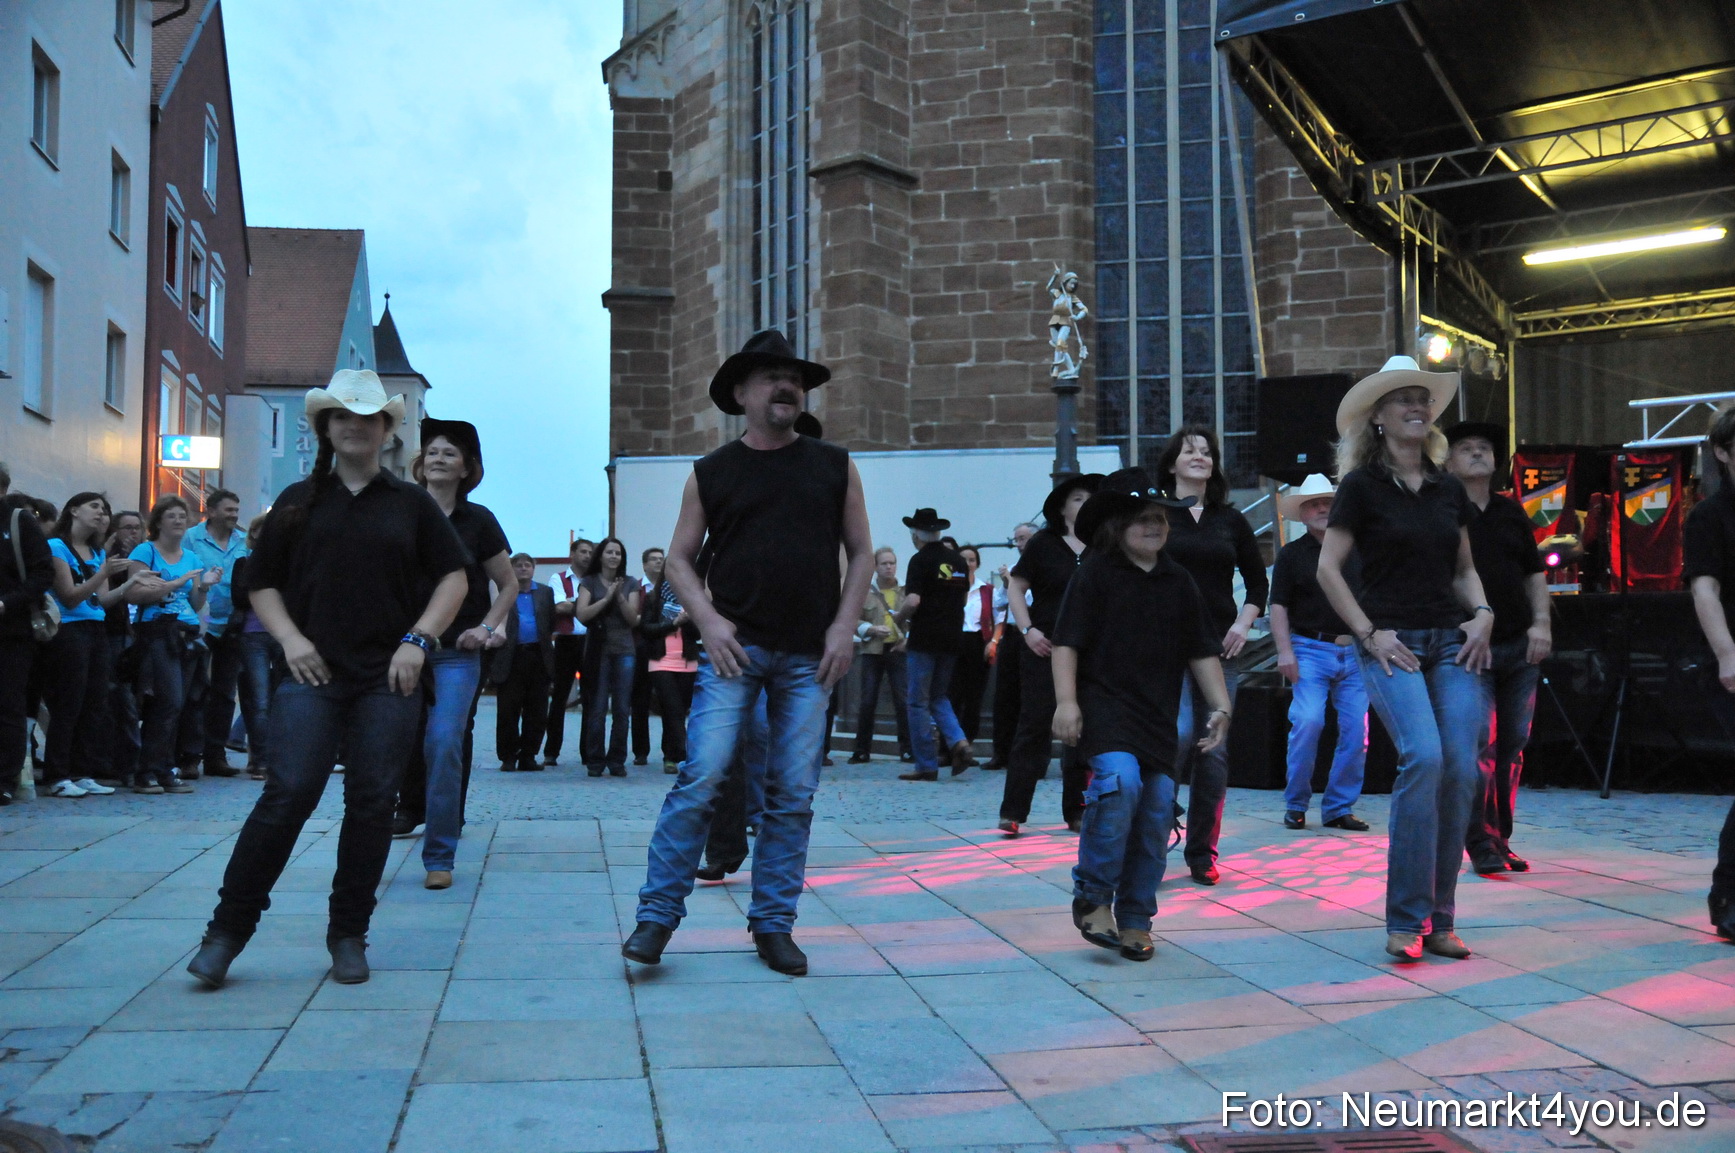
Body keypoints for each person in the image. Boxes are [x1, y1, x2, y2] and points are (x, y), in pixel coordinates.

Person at [186, 368, 468, 989]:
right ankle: (226, 933)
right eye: (342, 416)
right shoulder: (297, 502)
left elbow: (455, 577)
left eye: (368, 418)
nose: (355, 427)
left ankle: (348, 934)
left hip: (386, 679)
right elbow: (260, 582)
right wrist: (289, 638)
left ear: (386, 430)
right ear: (324, 428)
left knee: (370, 802)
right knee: (287, 794)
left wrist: (419, 640)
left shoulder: (410, 503)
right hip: (311, 674)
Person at [624, 329, 873, 977]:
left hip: (807, 656)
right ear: (740, 392)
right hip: (734, 650)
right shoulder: (712, 471)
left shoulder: (833, 464)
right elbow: (678, 559)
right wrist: (707, 621)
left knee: (792, 792)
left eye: (792, 376)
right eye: (769, 376)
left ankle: (772, 924)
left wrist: (845, 627)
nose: (784, 385)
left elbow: (861, 552)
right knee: (701, 774)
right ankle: (656, 917)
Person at [1316, 356, 1492, 963]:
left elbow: (1464, 569)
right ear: (1379, 420)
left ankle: (1440, 920)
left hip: (1452, 639)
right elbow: (1327, 570)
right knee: (1425, 758)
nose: (1418, 407)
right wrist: (1368, 634)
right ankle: (1405, 917)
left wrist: (1486, 613)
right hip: (1392, 644)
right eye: (1403, 400)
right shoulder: (1362, 487)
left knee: (1464, 769)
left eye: (1424, 398)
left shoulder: (1447, 487)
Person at [1052, 469, 1226, 961]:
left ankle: (1135, 916)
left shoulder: (1178, 579)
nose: (1155, 527)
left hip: (1157, 713)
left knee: (1157, 805)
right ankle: (1093, 895)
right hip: (1104, 707)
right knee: (1119, 783)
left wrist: (1222, 706)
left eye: (1162, 520)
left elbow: (1201, 649)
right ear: (1117, 525)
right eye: (1143, 519)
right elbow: (1066, 643)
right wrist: (1067, 703)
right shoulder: (1095, 574)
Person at [1157, 426, 1269, 886]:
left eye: (1206, 452)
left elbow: (1257, 583)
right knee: (1178, 735)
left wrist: (1243, 625)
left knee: (1214, 753)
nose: (1200, 457)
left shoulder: (1230, 518)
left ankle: (1203, 852)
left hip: (1219, 648)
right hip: (1166, 645)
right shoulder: (1158, 514)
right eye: (1190, 451)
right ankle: (1159, 822)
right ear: (1172, 464)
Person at [409, 420, 513, 888]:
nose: (438, 458)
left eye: (449, 453)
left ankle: (440, 856)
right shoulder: (403, 511)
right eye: (432, 451)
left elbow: (508, 584)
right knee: (386, 746)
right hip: (399, 651)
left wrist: (488, 626)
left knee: (445, 742)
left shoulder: (479, 520)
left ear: (467, 468)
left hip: (455, 653)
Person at [1446, 422, 1549, 875]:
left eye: (1484, 448)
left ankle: (1500, 837)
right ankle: (1480, 842)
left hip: (1518, 643)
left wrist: (1542, 623)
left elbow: (1534, 573)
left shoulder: (1511, 512)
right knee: (1480, 746)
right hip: (1470, 646)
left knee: (1513, 744)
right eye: (1465, 448)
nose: (1476, 454)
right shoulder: (1443, 510)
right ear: (1448, 461)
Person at [998, 474, 1103, 836]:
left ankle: (1077, 809)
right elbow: (1016, 585)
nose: (1085, 503)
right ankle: (1014, 810)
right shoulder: (1044, 543)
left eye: (1090, 498)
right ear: (1062, 507)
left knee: (1082, 729)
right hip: (1045, 645)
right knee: (1035, 725)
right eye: (1077, 498)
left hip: (1089, 649)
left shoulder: (1103, 543)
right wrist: (1027, 630)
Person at [1269, 475, 1369, 831]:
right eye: (1312, 503)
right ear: (1302, 513)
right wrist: (1284, 652)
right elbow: (1277, 606)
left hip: (1357, 651)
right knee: (1309, 721)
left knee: (1357, 731)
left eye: (1327, 501)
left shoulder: (1360, 547)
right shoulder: (1292, 555)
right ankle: (1296, 803)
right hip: (1309, 647)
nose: (1322, 508)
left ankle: (1339, 807)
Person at [128, 495, 221, 795]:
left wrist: (204, 586)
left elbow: (194, 603)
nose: (180, 521)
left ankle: (163, 767)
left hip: (186, 634)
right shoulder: (146, 551)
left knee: (179, 703)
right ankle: (148, 771)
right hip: (156, 631)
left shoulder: (191, 557)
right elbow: (135, 594)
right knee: (167, 701)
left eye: (183, 516)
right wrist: (173, 584)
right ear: (158, 522)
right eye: (172, 516)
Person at [42, 493, 132, 797]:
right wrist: (103, 574)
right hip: (69, 629)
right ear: (74, 510)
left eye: (104, 508)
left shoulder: (94, 551)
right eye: (94, 506)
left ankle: (82, 771)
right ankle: (57, 774)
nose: (101, 513)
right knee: (69, 702)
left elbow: (100, 601)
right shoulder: (57, 547)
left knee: (95, 702)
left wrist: (128, 586)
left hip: (95, 628)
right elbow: (69, 596)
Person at [1686, 403, 1735, 944]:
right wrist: (1727, 653)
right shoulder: (1710, 516)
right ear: (1723, 452)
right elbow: (1705, 589)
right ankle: (1727, 897)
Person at [894, 509, 974, 781]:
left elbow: (913, 600)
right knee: (939, 696)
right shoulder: (958, 561)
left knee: (917, 701)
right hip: (953, 637)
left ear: (916, 534)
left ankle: (926, 764)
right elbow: (963, 601)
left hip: (925, 638)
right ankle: (958, 741)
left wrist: (898, 617)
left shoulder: (919, 560)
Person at [185, 489, 249, 779]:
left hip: (232, 625)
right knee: (195, 690)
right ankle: (188, 755)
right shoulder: (191, 538)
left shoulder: (242, 542)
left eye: (236, 510)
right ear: (210, 512)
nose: (234, 515)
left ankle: (215, 755)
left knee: (225, 693)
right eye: (228, 510)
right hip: (199, 621)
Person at [1, 462, 54, 806]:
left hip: (11, 631)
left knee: (7, 705)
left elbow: (42, 573)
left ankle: (4, 780)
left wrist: (7, 603)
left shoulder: (19, 521)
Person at [576, 538, 642, 776]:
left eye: (618, 553)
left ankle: (617, 761)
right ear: (601, 556)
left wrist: (619, 596)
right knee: (597, 707)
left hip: (625, 649)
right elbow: (581, 614)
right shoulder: (589, 582)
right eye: (609, 552)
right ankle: (595, 761)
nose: (614, 556)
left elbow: (634, 619)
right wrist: (605, 598)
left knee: (622, 708)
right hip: (598, 650)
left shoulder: (631, 583)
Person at [491, 554, 556, 774]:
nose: (523, 569)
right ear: (510, 569)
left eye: (528, 565)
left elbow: (551, 622)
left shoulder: (545, 593)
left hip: (539, 656)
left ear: (534, 568)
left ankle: (528, 755)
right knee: (508, 710)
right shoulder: (504, 592)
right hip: (511, 656)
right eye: (518, 565)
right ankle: (508, 757)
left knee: (537, 711)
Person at [847, 548, 911, 764]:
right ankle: (862, 750)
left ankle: (907, 749)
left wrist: (907, 638)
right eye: (884, 563)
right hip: (872, 650)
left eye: (892, 563)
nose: (889, 567)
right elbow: (852, 620)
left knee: (903, 700)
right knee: (867, 701)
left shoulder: (905, 590)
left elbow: (916, 618)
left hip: (897, 649)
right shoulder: (865, 591)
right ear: (875, 567)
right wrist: (871, 629)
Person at [984, 522, 1038, 772]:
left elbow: (1033, 600)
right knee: (1004, 696)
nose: (1018, 544)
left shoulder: (1043, 566)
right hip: (1012, 634)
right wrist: (1007, 585)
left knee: (1032, 697)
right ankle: (1001, 753)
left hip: (1035, 633)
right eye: (1016, 539)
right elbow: (999, 604)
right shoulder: (1015, 569)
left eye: (1023, 538)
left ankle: (1032, 758)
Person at [639, 562, 700, 773]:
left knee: (678, 712)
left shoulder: (692, 599)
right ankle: (684, 756)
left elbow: (699, 633)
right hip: (661, 661)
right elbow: (646, 629)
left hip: (687, 662)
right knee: (672, 709)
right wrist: (673, 623)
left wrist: (688, 620)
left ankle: (670, 756)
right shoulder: (653, 598)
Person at [230, 515, 277, 782]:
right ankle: (260, 760)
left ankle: (275, 757)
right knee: (259, 701)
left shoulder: (290, 560)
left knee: (282, 699)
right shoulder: (244, 561)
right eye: (260, 529)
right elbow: (238, 595)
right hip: (253, 634)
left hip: (284, 636)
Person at [103, 510, 149, 787]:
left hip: (131, 633)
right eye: (127, 528)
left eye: (137, 528)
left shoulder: (142, 558)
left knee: (132, 699)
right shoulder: (110, 559)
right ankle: (119, 762)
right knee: (116, 699)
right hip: (110, 632)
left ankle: (129, 761)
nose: (133, 533)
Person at [542, 538, 594, 766]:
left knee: (591, 699)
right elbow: (558, 607)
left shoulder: (594, 580)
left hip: (591, 642)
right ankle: (551, 752)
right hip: (566, 642)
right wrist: (587, 607)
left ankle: (588, 752)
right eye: (583, 551)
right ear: (572, 553)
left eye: (591, 552)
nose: (587, 556)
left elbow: (566, 606)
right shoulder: (558, 578)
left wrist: (573, 604)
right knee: (560, 697)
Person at [947, 544, 994, 745]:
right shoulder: (948, 586)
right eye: (964, 559)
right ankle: (949, 745)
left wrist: (992, 641)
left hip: (977, 642)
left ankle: (968, 744)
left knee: (974, 697)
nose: (968, 563)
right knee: (952, 695)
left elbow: (996, 616)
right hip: (954, 640)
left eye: (972, 560)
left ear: (977, 563)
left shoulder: (986, 590)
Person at [630, 547, 665, 765]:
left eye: (661, 559)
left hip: (665, 649)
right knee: (640, 700)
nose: (658, 563)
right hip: (640, 648)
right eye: (653, 560)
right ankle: (640, 752)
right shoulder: (635, 587)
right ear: (644, 565)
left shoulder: (669, 588)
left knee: (667, 702)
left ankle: (669, 752)